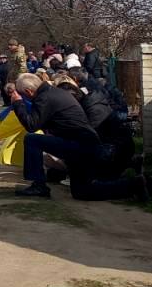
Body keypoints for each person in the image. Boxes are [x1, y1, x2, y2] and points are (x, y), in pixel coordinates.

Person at [10, 72, 142, 201]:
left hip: (79, 145)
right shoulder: (53, 93)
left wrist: (18, 104)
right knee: (82, 191)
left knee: (32, 139)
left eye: (23, 95)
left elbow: (31, 125)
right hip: (84, 143)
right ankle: (134, 186)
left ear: (29, 92)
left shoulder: (45, 98)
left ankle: (38, 185)